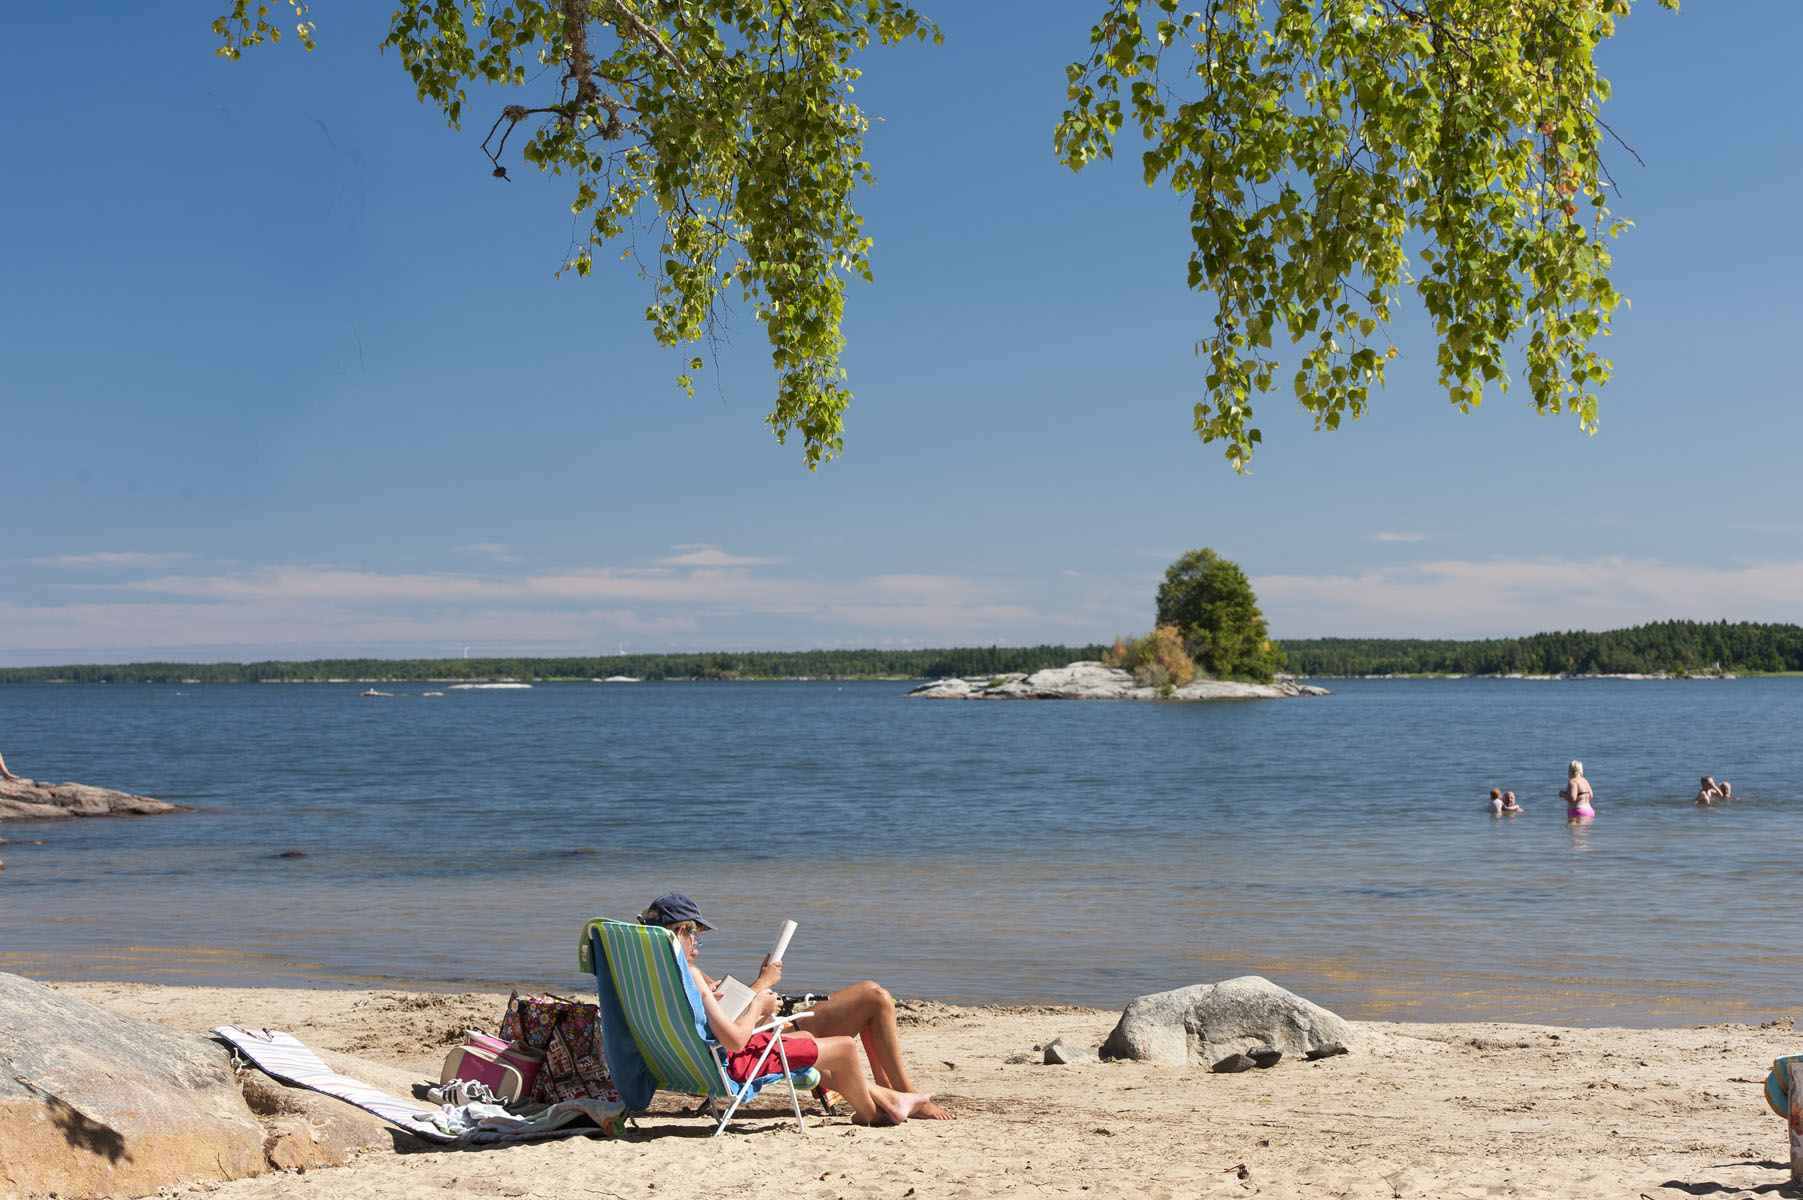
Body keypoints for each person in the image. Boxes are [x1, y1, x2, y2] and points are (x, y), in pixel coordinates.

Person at [638, 893, 941, 1125]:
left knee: (876, 996)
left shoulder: (653, 976)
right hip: (755, 1042)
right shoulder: (686, 974)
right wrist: (760, 990)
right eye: (696, 939)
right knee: (873, 999)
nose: (697, 947)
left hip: (726, 1048)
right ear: (679, 932)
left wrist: (742, 992)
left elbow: (707, 1018)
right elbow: (732, 1038)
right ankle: (893, 1100)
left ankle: (893, 1094)